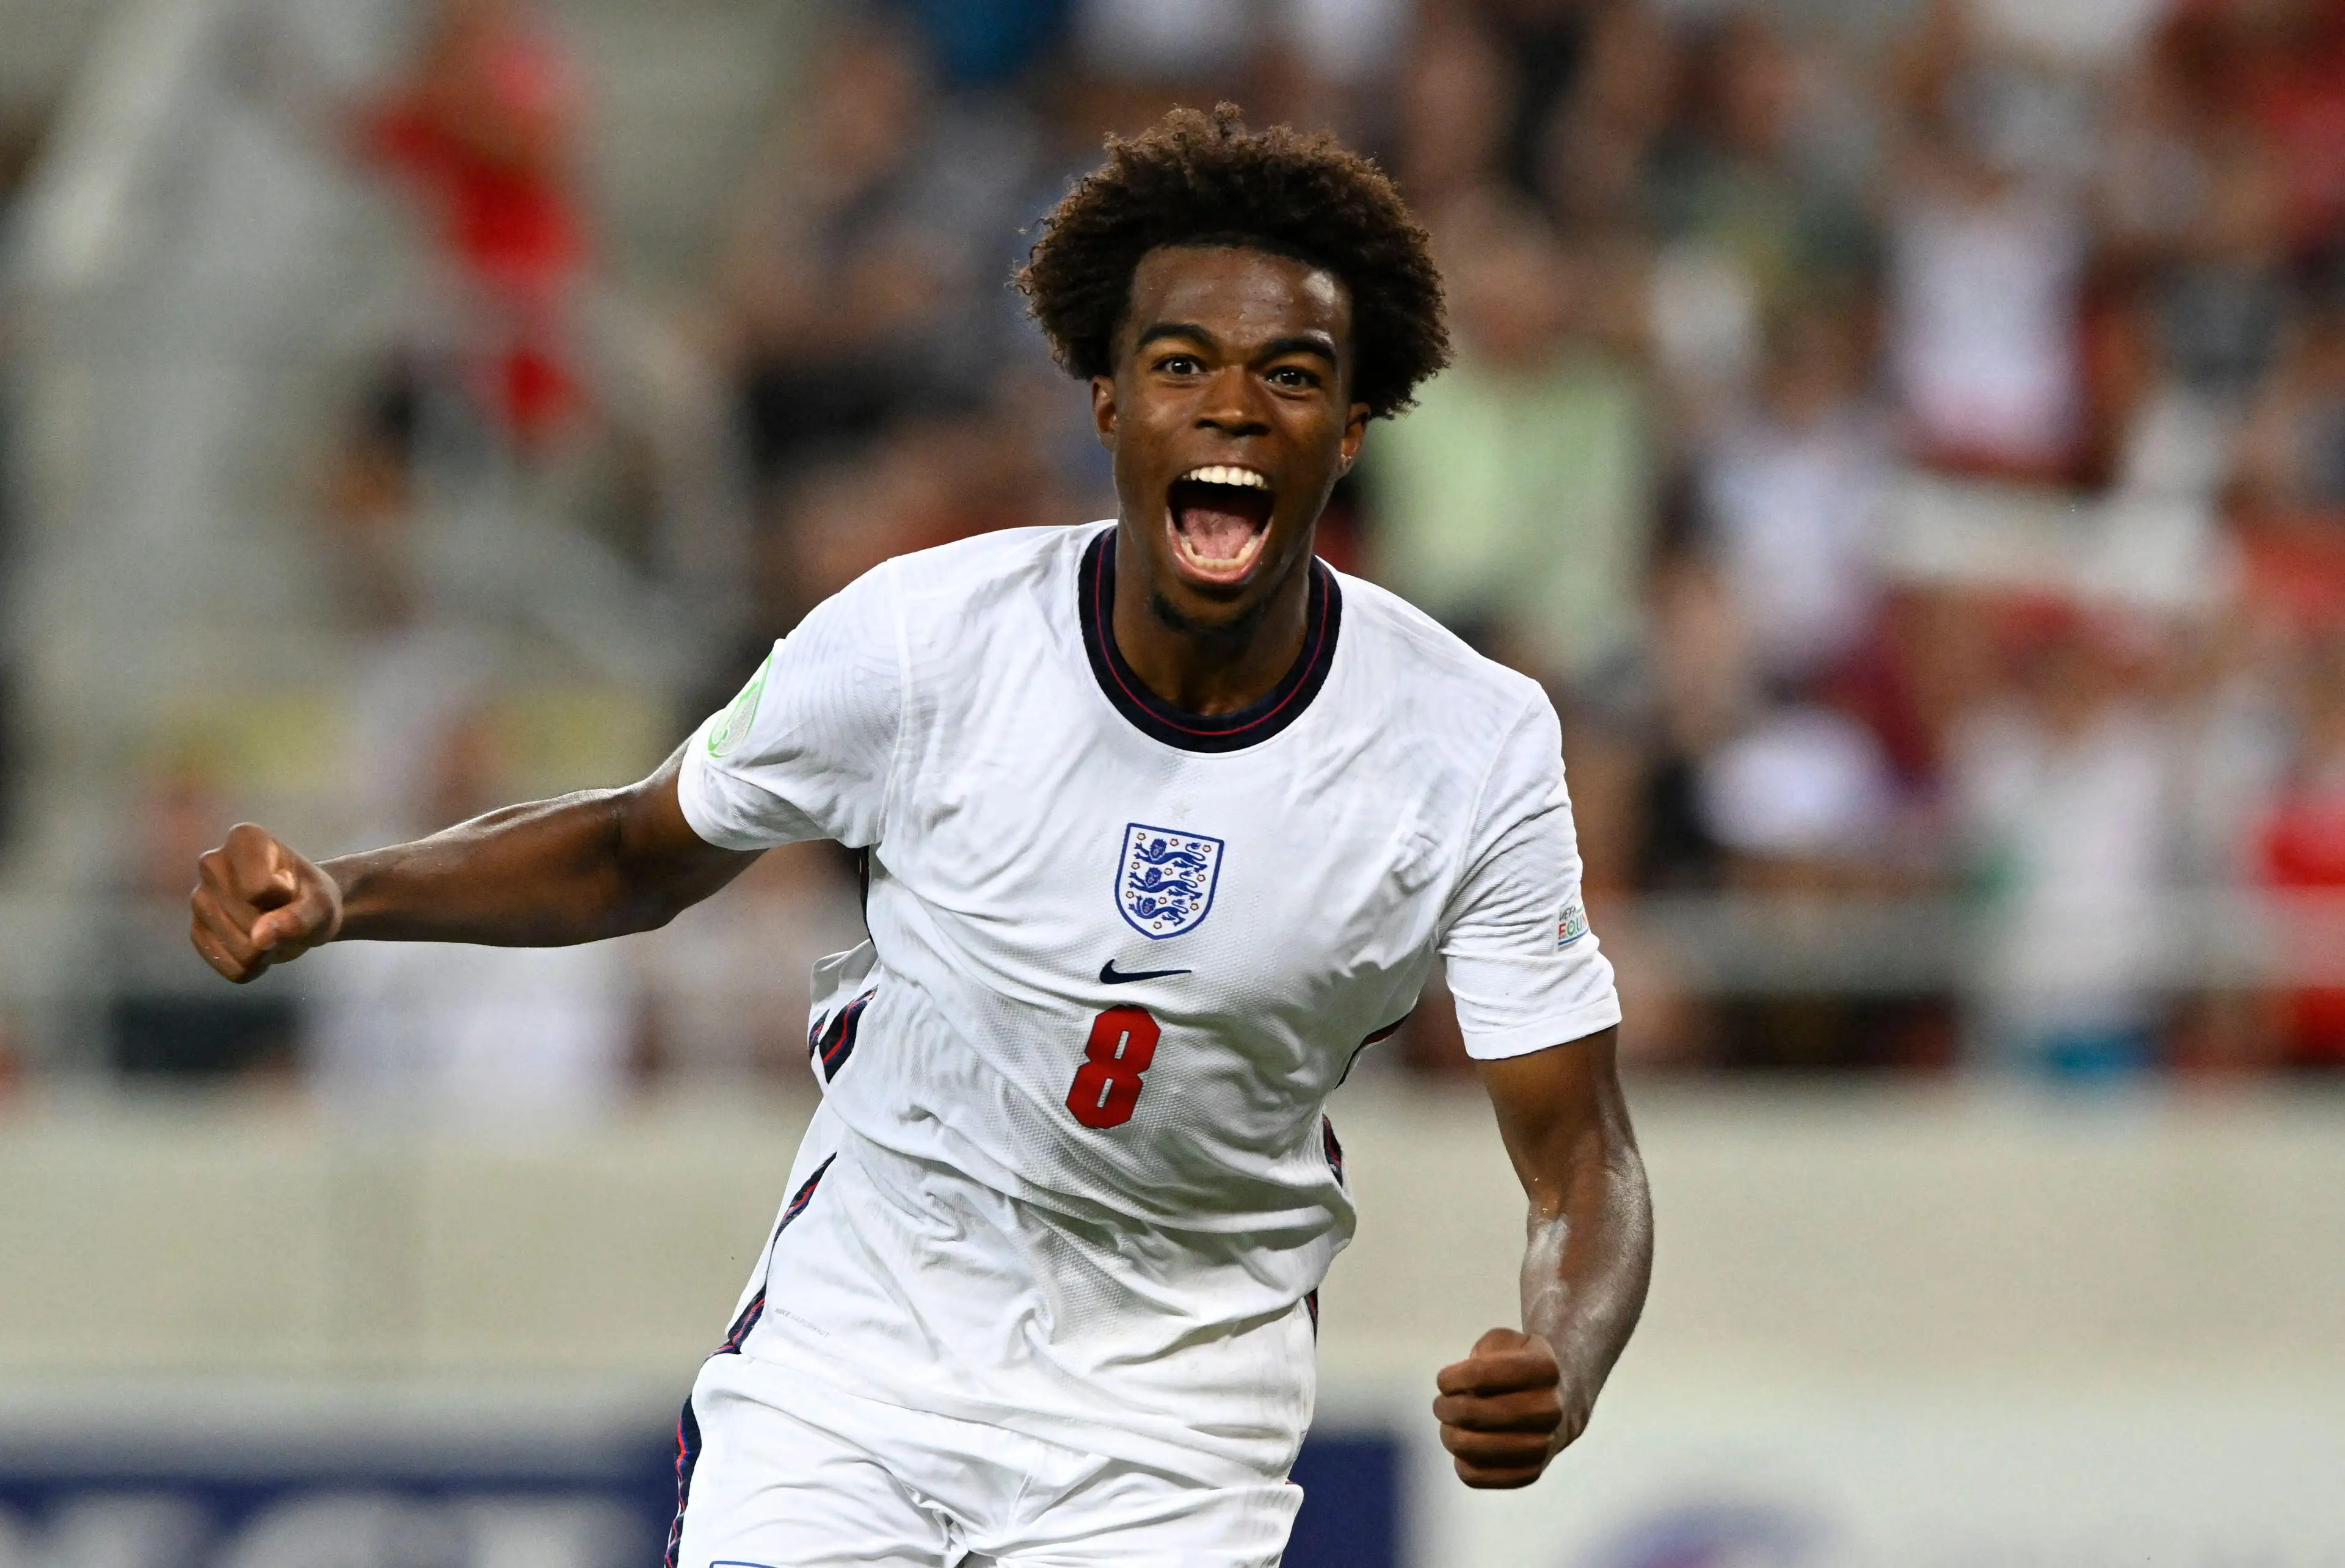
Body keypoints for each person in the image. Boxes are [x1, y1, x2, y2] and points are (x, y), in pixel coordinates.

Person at [188, 107, 1651, 1565]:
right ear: (1105, 403)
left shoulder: (1473, 742)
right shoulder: (919, 641)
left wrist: (1566, 1360)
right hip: (858, 1371)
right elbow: (636, 849)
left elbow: (1582, 1158)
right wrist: (341, 891)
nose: (1229, 408)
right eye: (1179, 365)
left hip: (1176, 1429)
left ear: (1352, 426)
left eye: (1291, 376)